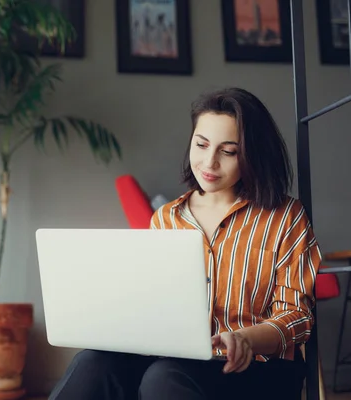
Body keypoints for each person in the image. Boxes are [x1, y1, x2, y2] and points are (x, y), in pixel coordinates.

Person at [48, 87, 322, 400]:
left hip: (257, 369)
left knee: (164, 377)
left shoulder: (285, 216)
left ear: (252, 154)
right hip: (176, 361)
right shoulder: (166, 219)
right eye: (201, 144)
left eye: (228, 151)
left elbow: (297, 317)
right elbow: (151, 306)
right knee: (92, 363)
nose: (209, 162)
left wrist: (245, 339)